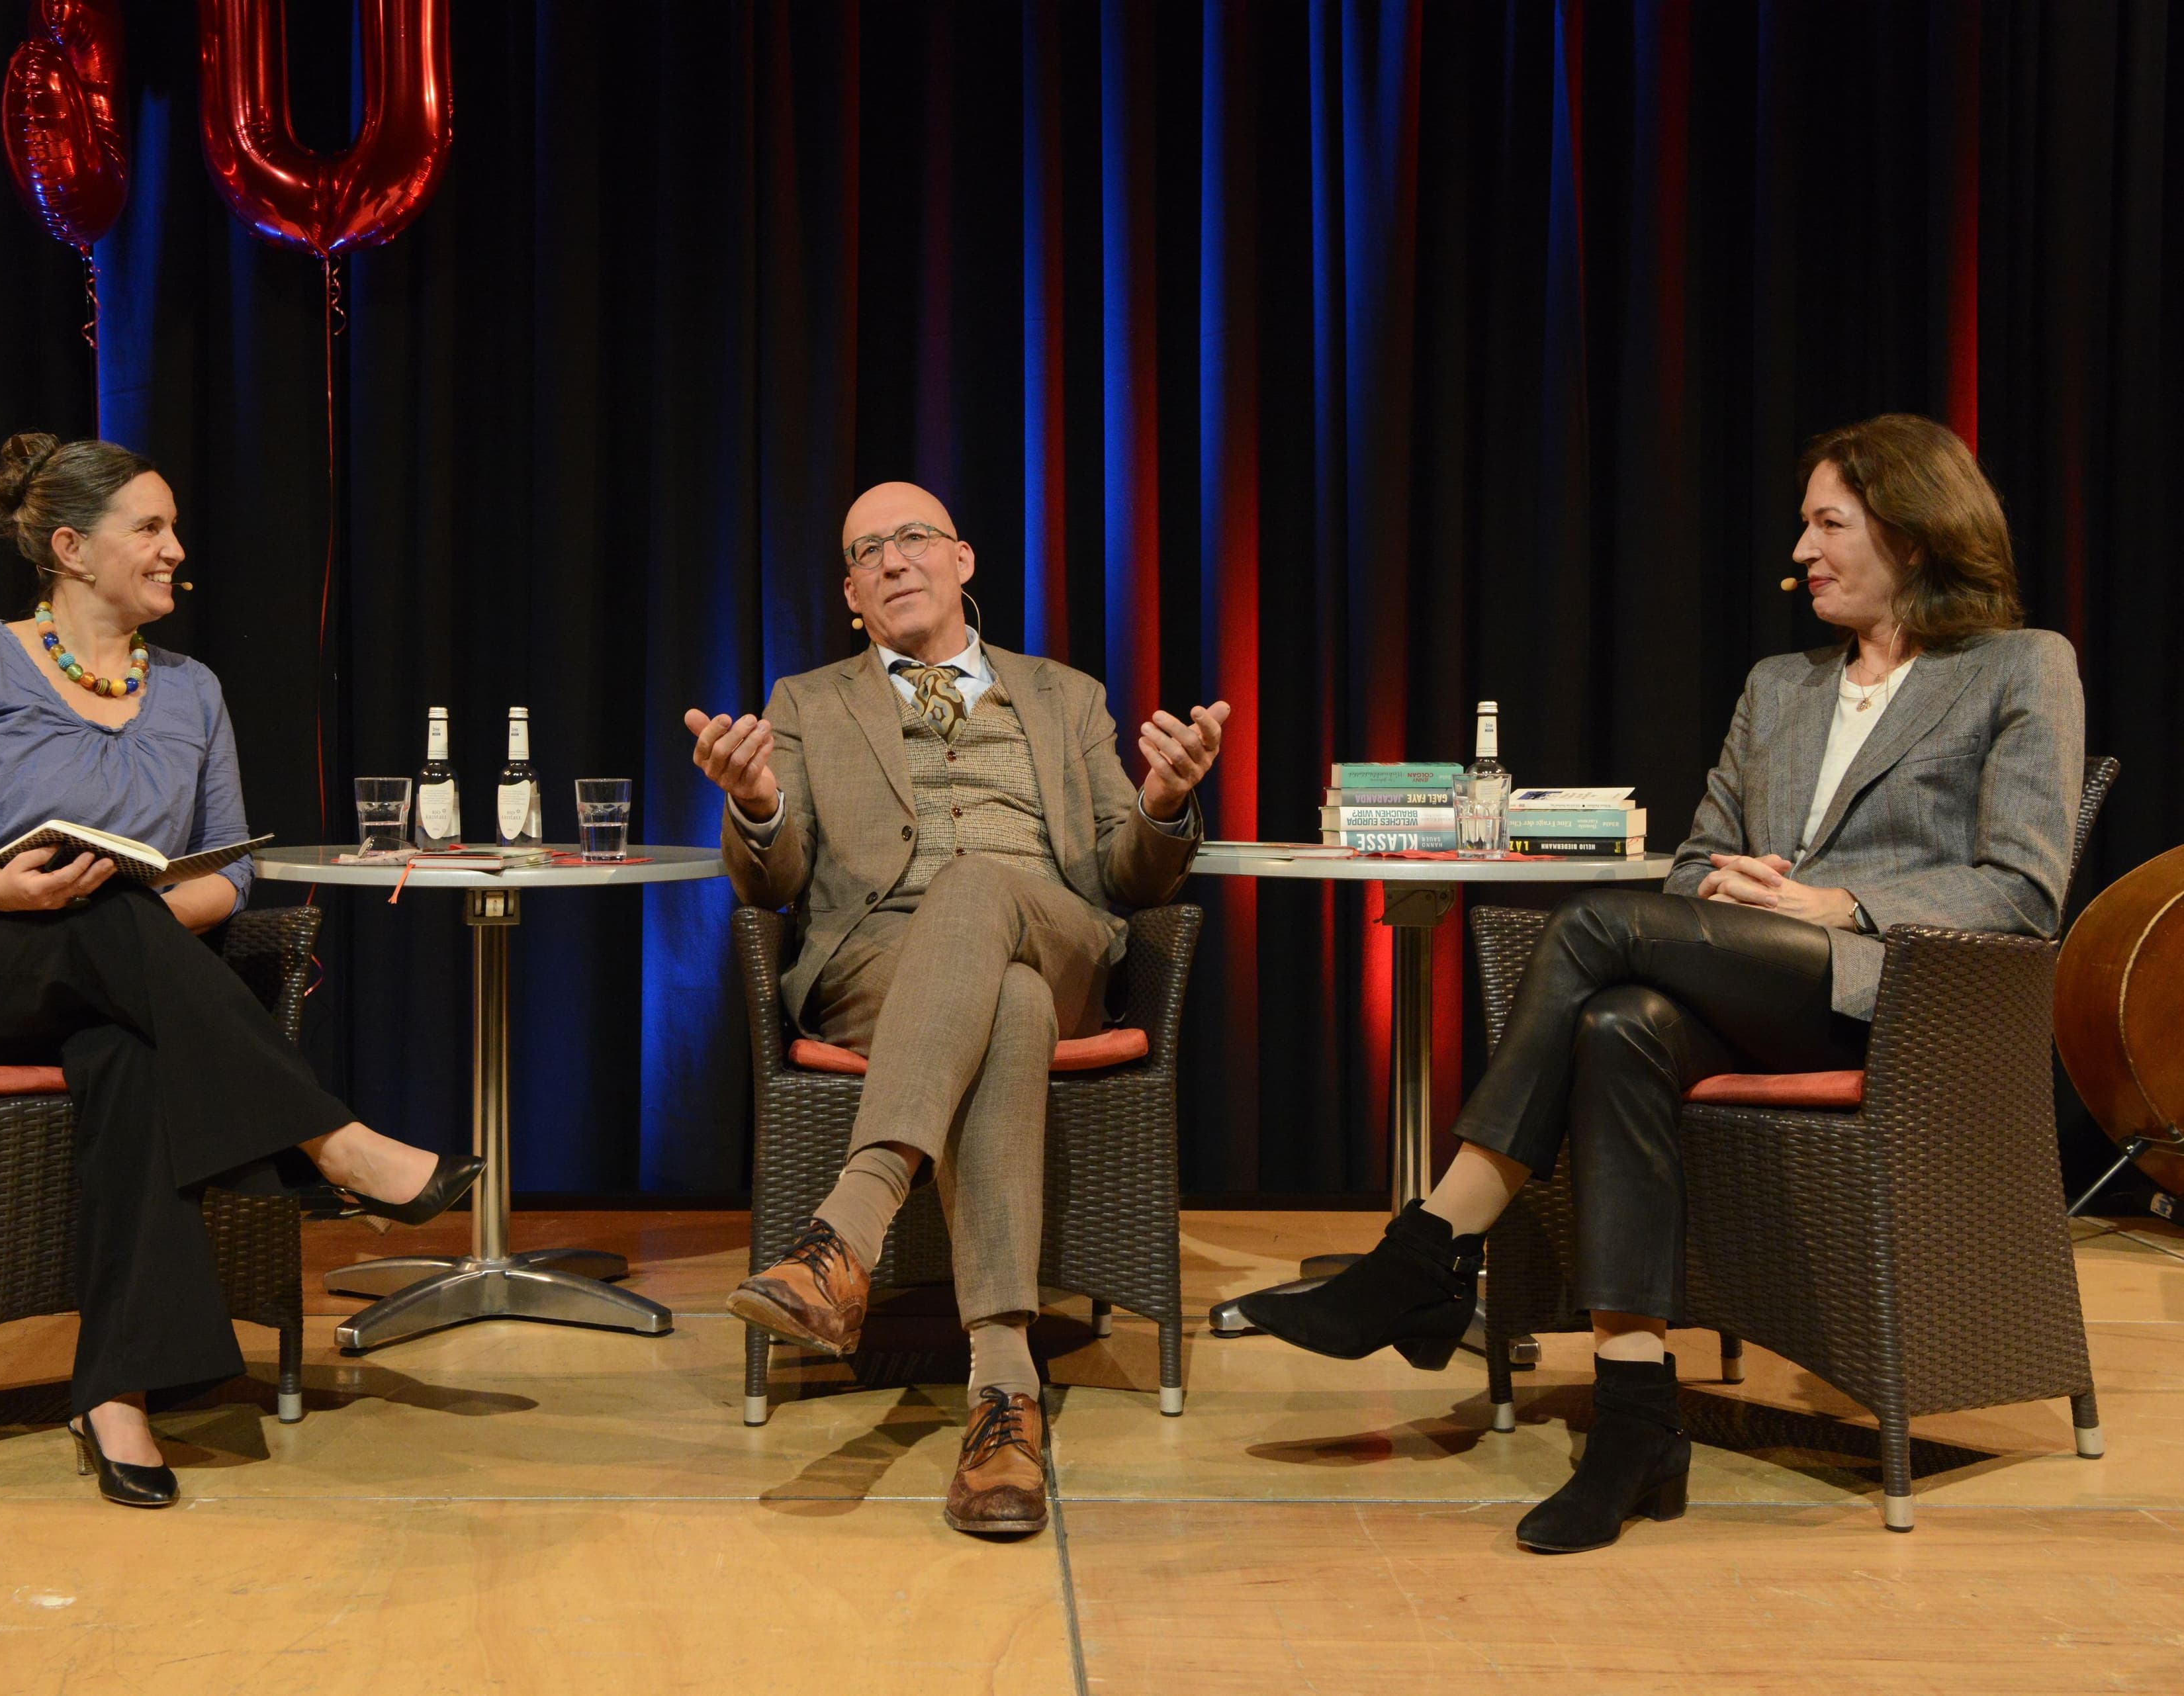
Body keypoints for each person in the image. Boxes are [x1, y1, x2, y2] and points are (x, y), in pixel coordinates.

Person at [1241, 413, 2083, 1553]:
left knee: (1594, 925)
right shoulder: (1780, 686)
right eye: (1806, 525)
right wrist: (1732, 886)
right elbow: (1691, 865)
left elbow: (2023, 891)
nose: (1804, 550)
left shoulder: (2020, 667)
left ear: (1916, 533)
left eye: (1830, 524)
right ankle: (1638, 1423)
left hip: (1896, 1002)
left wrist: (1837, 903)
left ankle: (1428, 1251)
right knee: (1619, 1026)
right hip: (1752, 980)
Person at [0, 432, 484, 1509]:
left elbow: (230, 870)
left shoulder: (191, 690)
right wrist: (14, 893)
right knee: (108, 927)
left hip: (108, 970)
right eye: (149, 527)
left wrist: (133, 912)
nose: (175, 549)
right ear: (70, 549)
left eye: (173, 527)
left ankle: (116, 1395)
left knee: (129, 1043)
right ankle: (328, 1139)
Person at [686, 482, 1230, 1537]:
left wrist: (1164, 804)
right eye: (867, 552)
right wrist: (756, 805)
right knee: (1007, 1007)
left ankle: (847, 1231)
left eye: (913, 538)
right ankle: (1004, 1396)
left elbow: (1125, 877)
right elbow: (774, 883)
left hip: (1054, 934)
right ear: (852, 594)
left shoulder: (1065, 696)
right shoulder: (807, 702)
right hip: (875, 963)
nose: (893, 560)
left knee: (983, 890)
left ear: (963, 559)